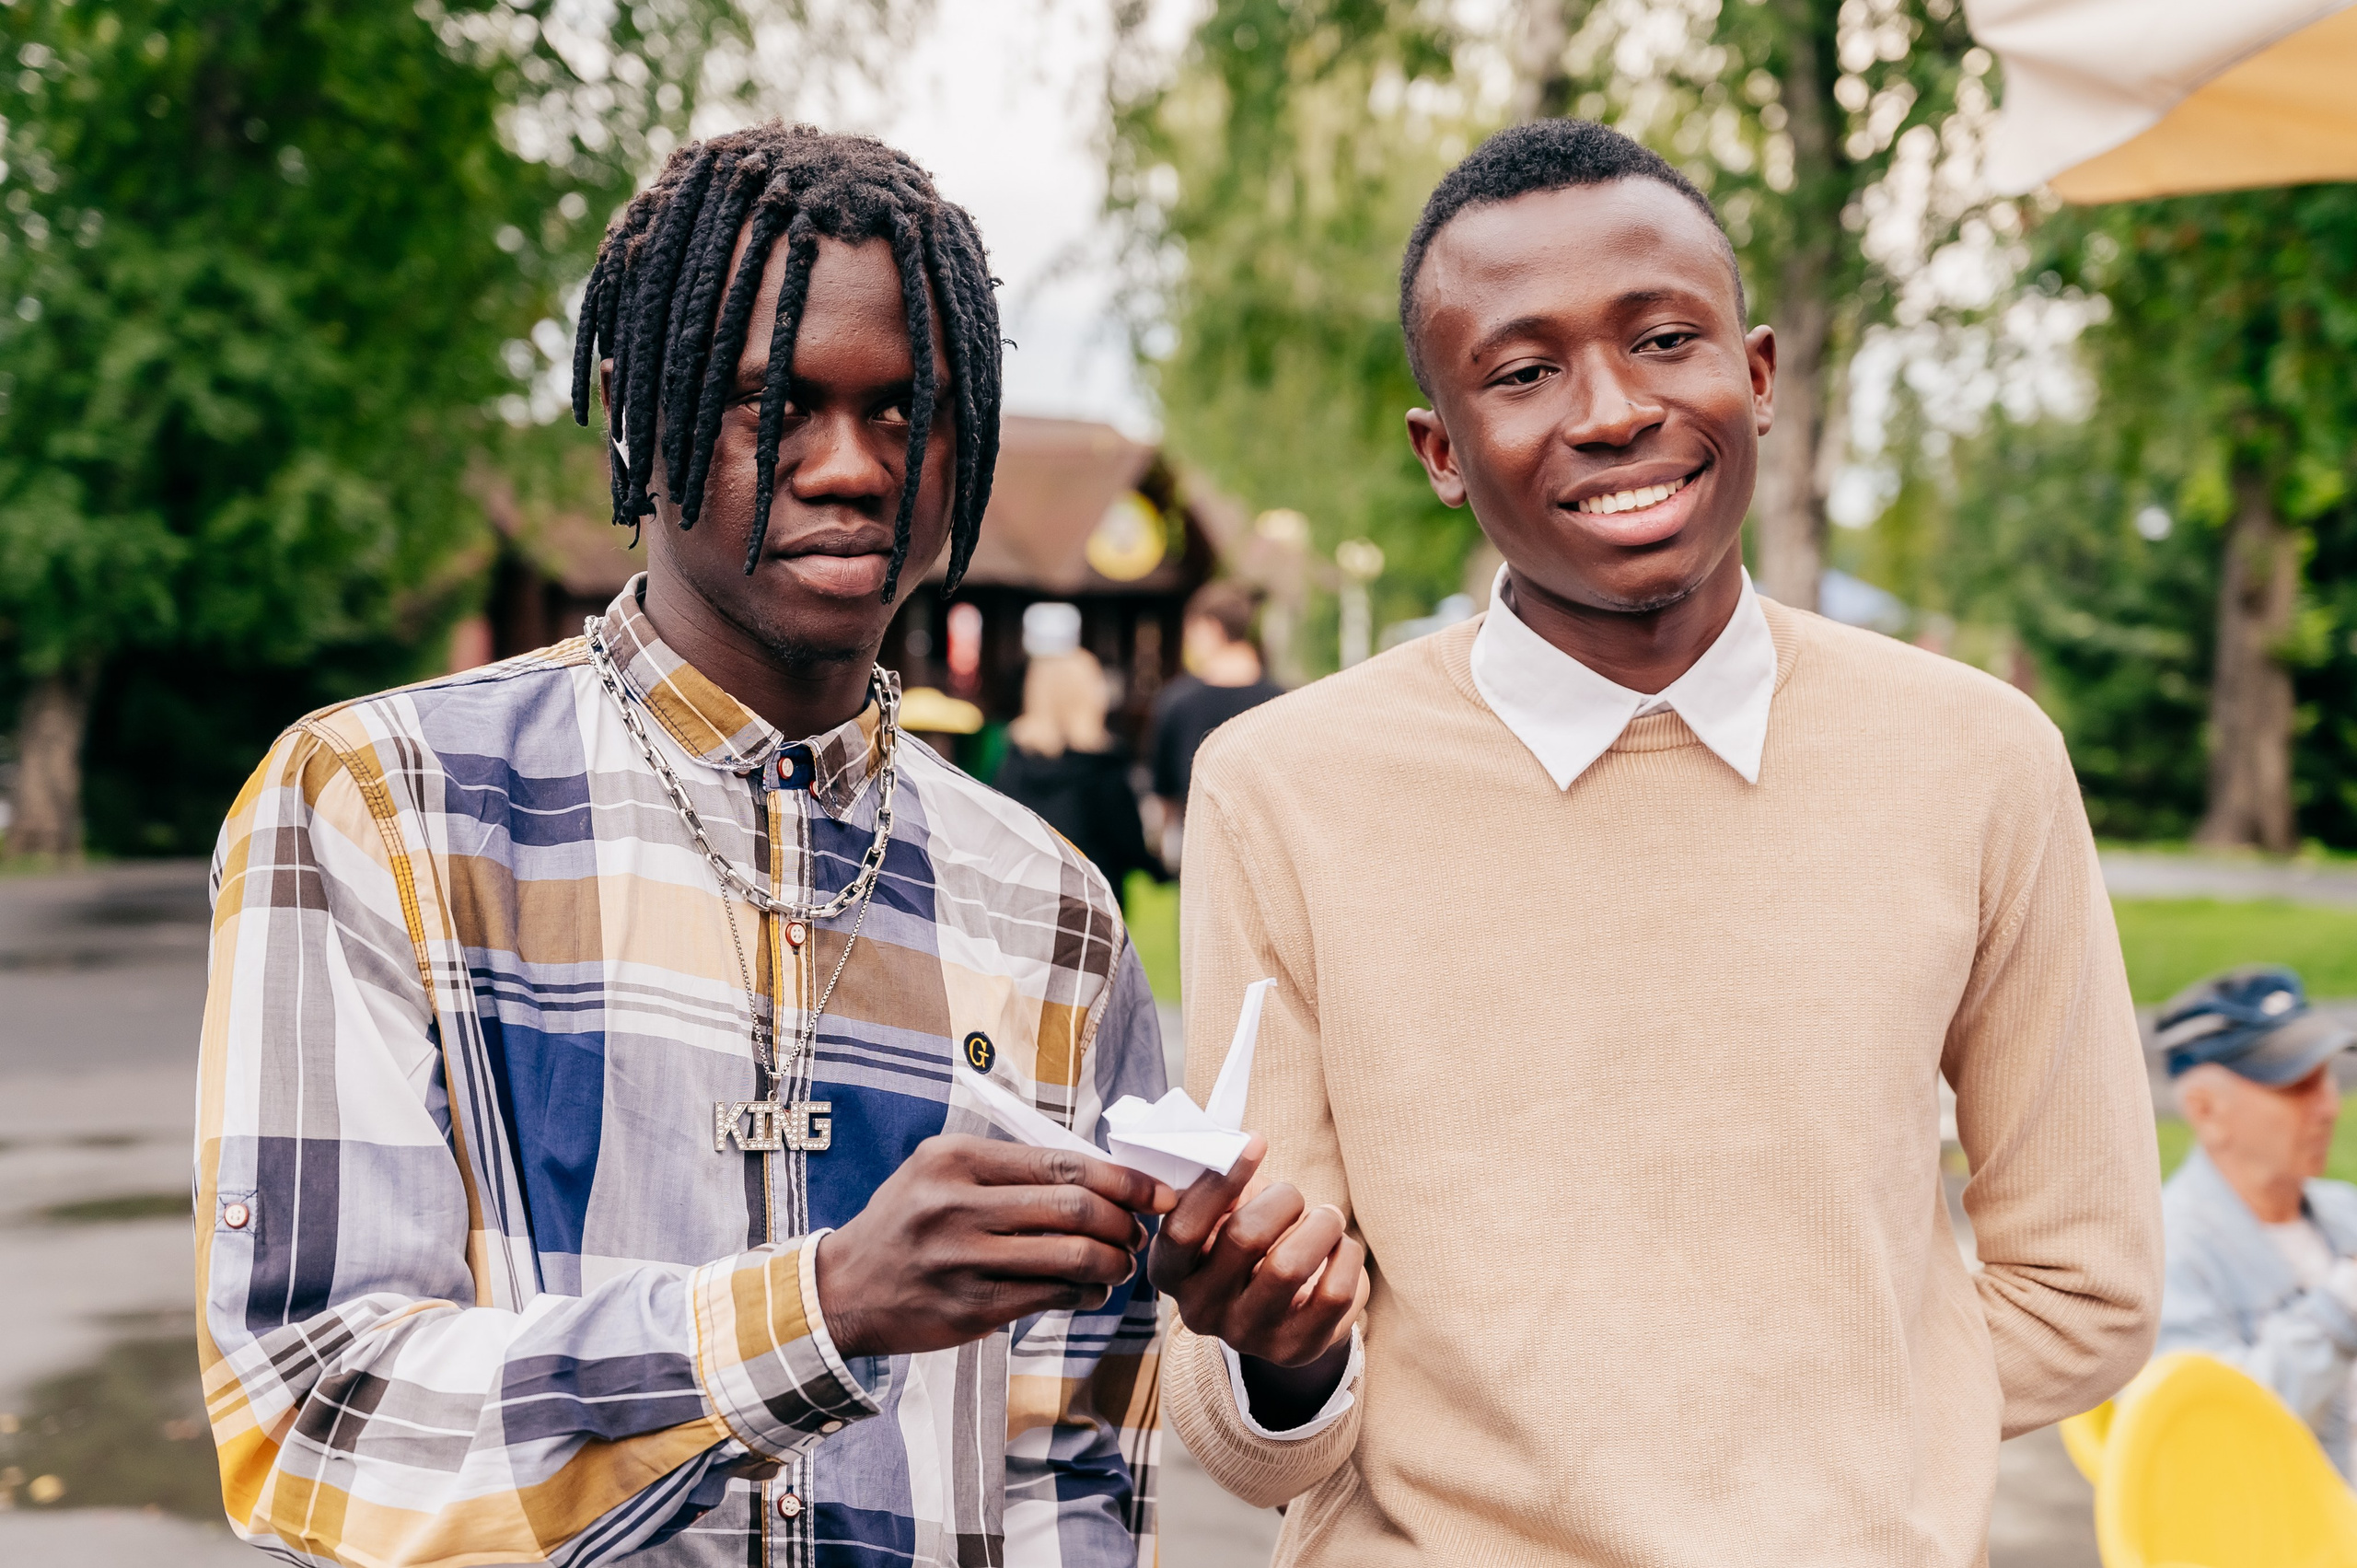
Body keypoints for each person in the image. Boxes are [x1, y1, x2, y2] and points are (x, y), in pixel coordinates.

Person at [1144, 118, 2164, 1566]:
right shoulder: (1281, 788)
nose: (1613, 409)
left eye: (1664, 339)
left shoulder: (1978, 757)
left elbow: (2087, 1284)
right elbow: (1243, 1428)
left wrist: (1820, 1466)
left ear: (1755, 374)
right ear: (1443, 450)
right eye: (1523, 371)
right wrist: (1280, 1351)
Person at [194, 125, 1176, 1568]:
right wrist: (821, 1307)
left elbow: (1071, 1455)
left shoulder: (1050, 909)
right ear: (633, 409)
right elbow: (317, 1423)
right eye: (770, 400)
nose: (851, 465)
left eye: (910, 410)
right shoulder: (379, 802)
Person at [2156, 966, 2357, 1473]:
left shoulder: (2344, 1210)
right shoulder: (2160, 1255)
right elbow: (2209, 1433)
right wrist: (2340, 1307)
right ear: (2205, 1111)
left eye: (2326, 1076)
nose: (2328, 1106)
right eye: (2296, 1084)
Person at [993, 603, 1156, 893]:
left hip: (1026, 896)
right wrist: (1160, 870)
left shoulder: (1014, 761)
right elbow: (1128, 841)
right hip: (1094, 899)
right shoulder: (1104, 767)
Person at [1148, 580, 1282, 862]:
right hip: (1272, 848)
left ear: (1210, 628)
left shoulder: (1178, 703)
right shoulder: (1284, 701)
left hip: (1202, 850)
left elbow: (1165, 794)